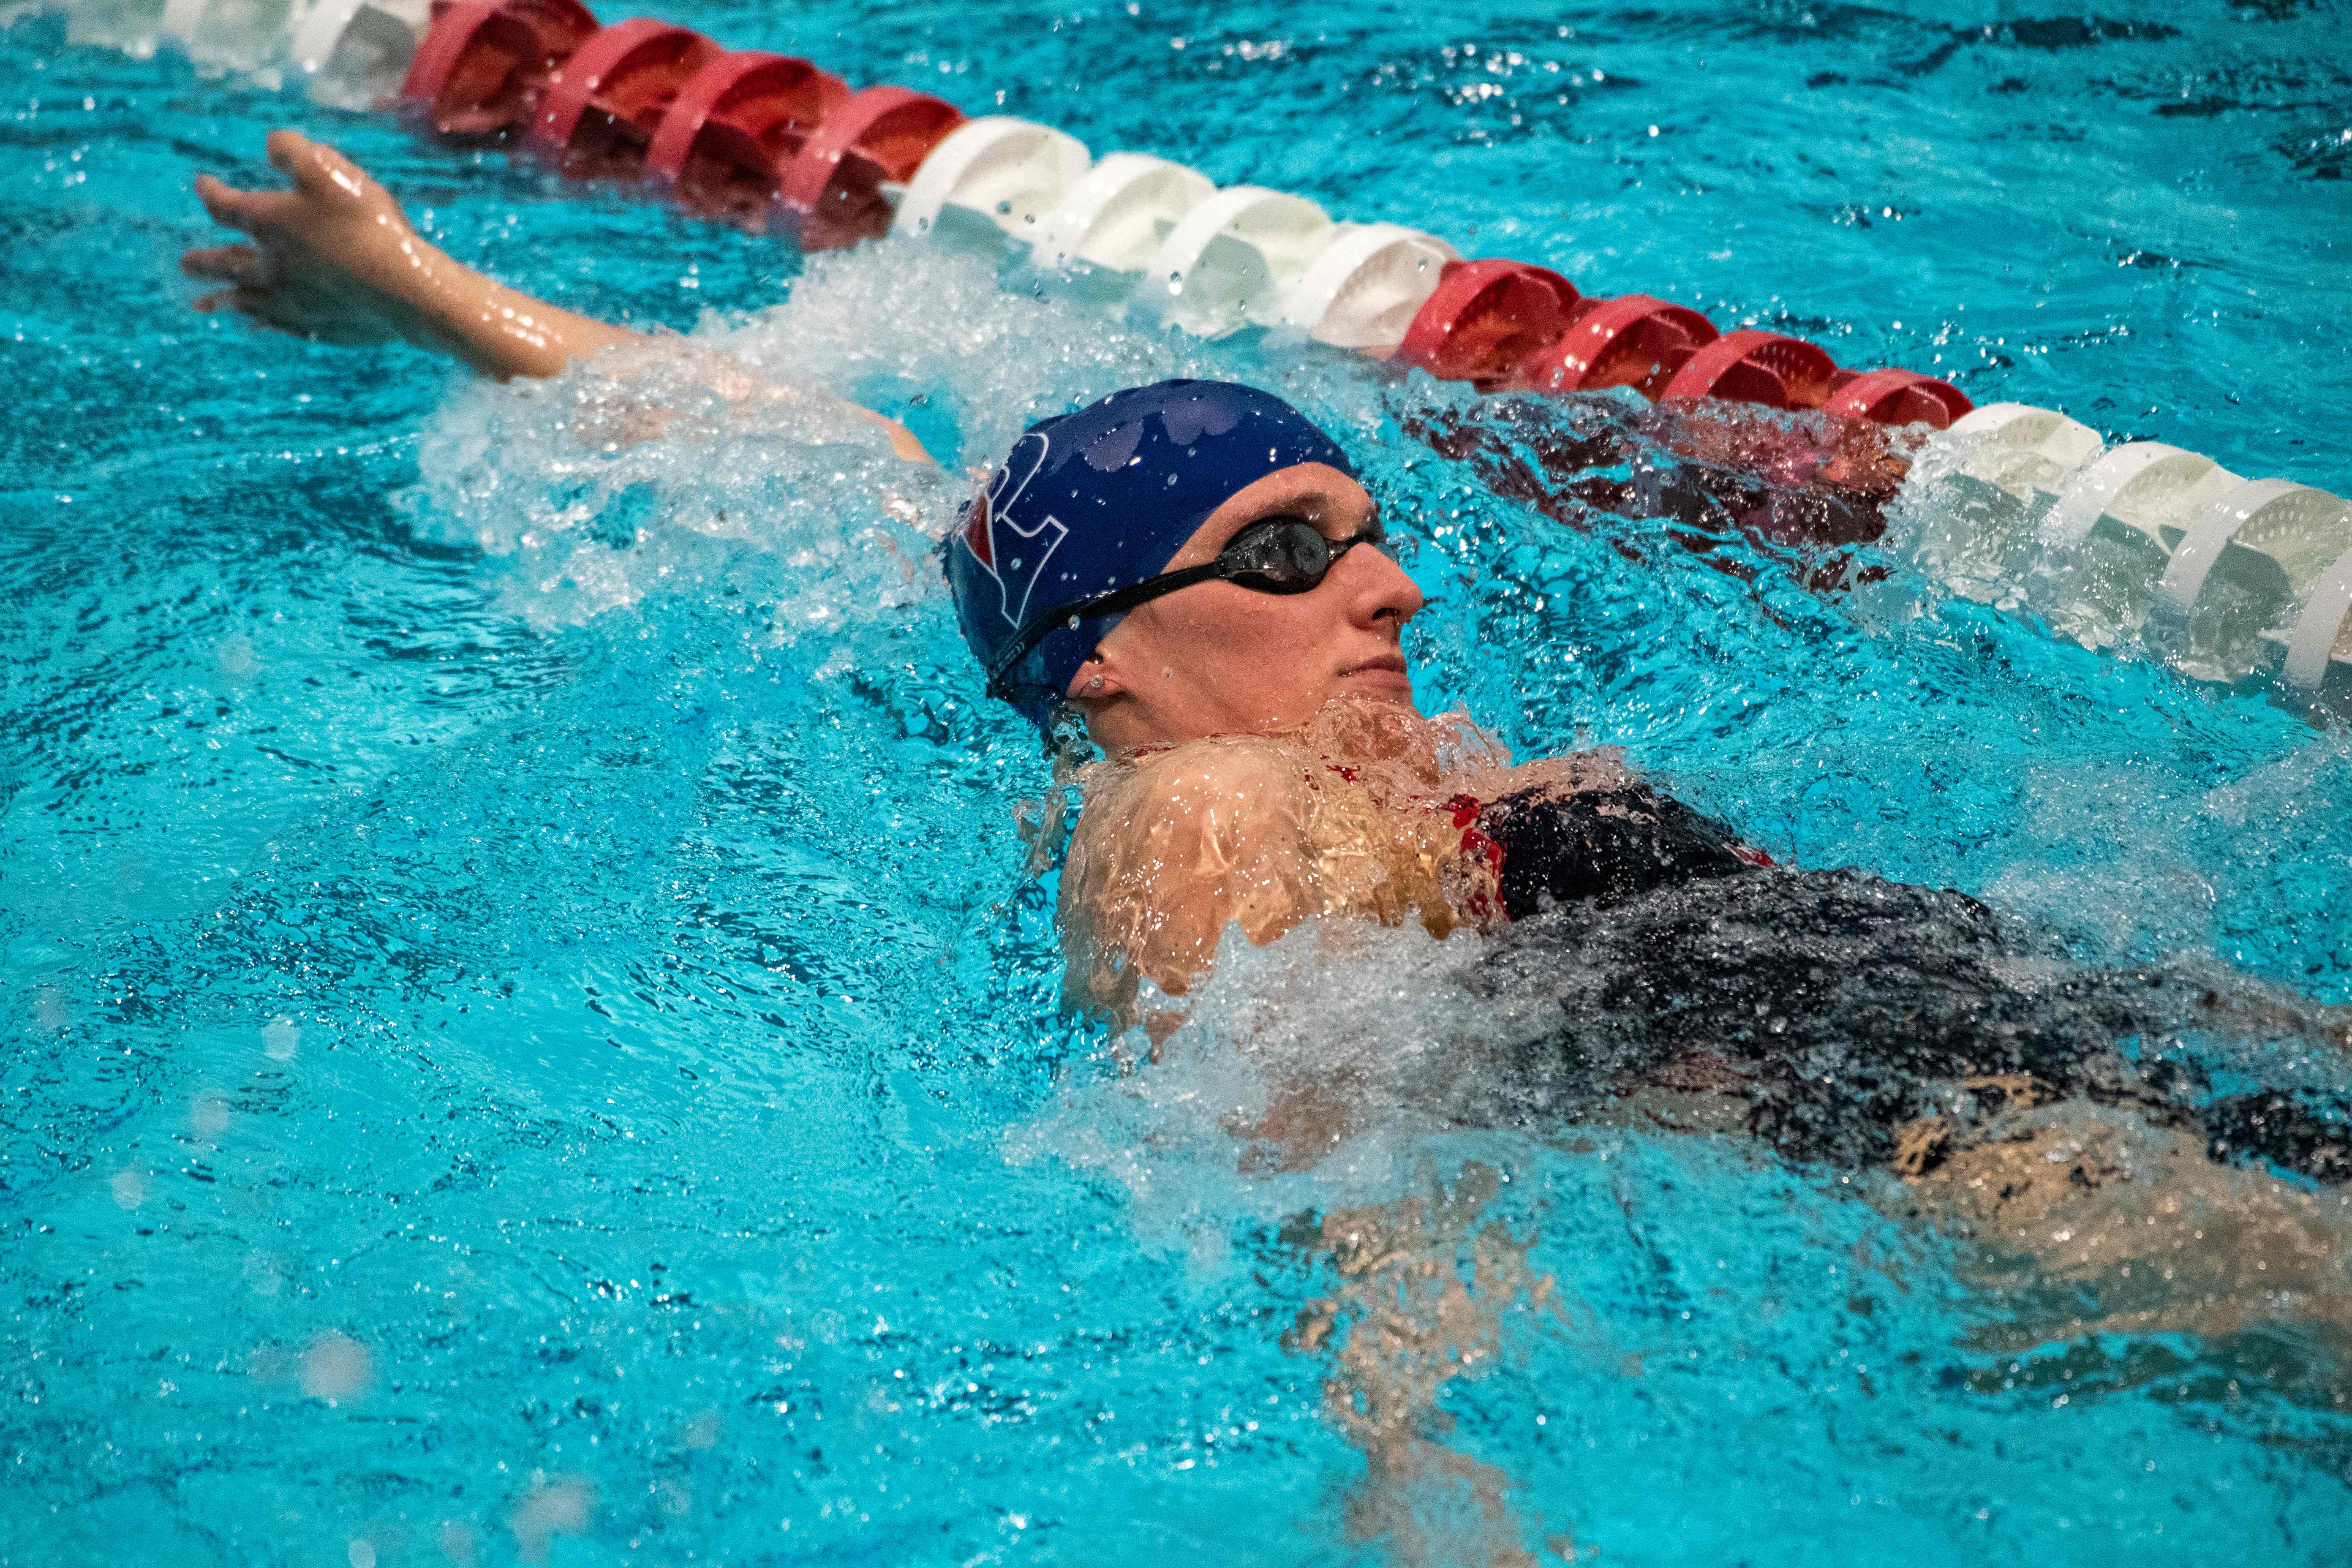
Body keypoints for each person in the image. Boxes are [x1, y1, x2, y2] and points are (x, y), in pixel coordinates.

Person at [193, 128, 2352, 1558]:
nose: (1390, 590)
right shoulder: (1196, 812)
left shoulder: (1227, 721)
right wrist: (1421, 1456)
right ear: (1109, 656)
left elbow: (821, 450)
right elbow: (1316, 1128)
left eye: (1375, 537)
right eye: (1292, 550)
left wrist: (423, 291)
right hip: (1931, 1134)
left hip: (2014, 1000)